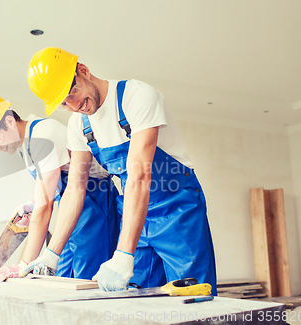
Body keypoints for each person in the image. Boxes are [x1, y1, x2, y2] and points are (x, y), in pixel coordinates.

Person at [23, 47, 217, 294]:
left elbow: (139, 175)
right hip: (135, 214)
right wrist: (52, 254)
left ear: (83, 71)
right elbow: (74, 190)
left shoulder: (137, 96)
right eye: (63, 103)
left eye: (72, 92)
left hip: (177, 209)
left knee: (193, 295)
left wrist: (124, 254)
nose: (74, 105)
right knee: (142, 299)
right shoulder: (78, 126)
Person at [0, 92, 121, 281]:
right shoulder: (26, 144)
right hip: (71, 207)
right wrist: (33, 204)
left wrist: (23, 264)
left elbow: (46, 207)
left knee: (85, 280)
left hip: (94, 204)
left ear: (10, 121)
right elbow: (48, 192)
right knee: (61, 277)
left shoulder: (43, 136)